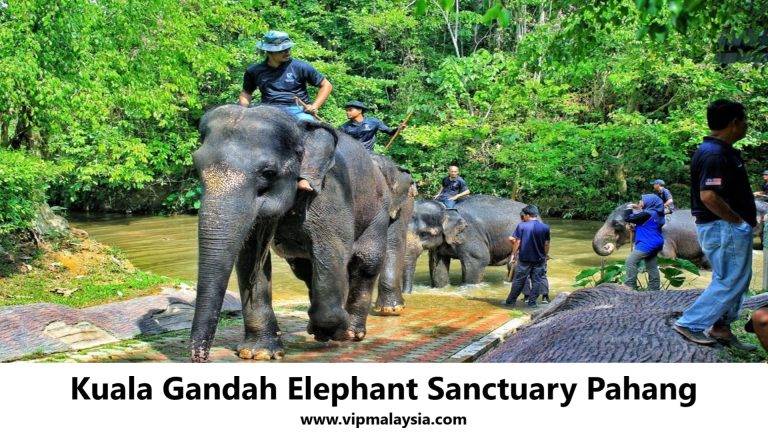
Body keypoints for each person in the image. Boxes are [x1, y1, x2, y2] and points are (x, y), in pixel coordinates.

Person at [674, 99, 757, 351]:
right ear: (734, 123)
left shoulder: (720, 150)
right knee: (732, 280)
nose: (745, 126)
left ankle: (721, 327)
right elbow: (708, 196)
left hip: (726, 227)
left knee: (736, 279)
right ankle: (691, 323)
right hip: (724, 227)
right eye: (744, 121)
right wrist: (736, 220)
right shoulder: (715, 154)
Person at [239, 30, 333, 192]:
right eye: (282, 50)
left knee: (319, 134)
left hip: (297, 110)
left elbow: (326, 85)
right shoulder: (254, 71)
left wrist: (315, 105)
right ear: (269, 52)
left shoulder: (300, 67)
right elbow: (246, 93)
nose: (287, 52)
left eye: (288, 48)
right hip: (268, 111)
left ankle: (306, 177)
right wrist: (243, 112)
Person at [505, 205, 550, 308]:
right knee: (537, 280)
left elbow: (517, 242)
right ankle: (532, 303)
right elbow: (546, 244)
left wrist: (513, 254)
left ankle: (510, 301)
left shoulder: (522, 226)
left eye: (524, 215)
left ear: (527, 215)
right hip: (539, 259)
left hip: (524, 259)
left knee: (519, 280)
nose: (523, 217)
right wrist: (545, 255)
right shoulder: (545, 227)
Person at [623, 194, 665, 291]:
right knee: (651, 265)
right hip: (657, 242)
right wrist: (634, 227)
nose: (640, 202)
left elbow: (628, 218)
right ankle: (654, 289)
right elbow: (647, 226)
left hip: (647, 243)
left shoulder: (647, 214)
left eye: (642, 200)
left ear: (649, 202)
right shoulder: (657, 213)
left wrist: (628, 207)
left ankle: (629, 287)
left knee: (630, 261)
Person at [339, 101, 405, 152]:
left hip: (370, 154)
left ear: (360, 110)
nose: (347, 112)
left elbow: (391, 132)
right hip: (352, 155)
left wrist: (398, 129)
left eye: (350, 110)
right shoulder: (344, 127)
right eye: (346, 110)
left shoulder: (373, 122)